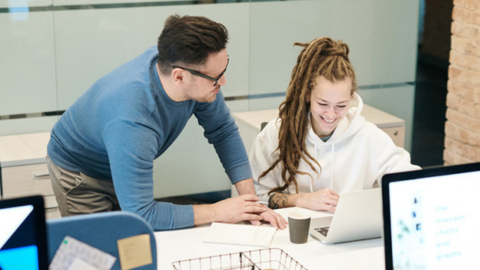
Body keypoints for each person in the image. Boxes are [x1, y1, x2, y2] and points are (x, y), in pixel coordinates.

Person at [46, 14, 286, 231]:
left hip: (118, 153)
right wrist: (219, 211)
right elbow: (142, 214)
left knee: (132, 245)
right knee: (101, 255)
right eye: (216, 77)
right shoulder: (133, 120)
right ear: (179, 76)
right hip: (81, 170)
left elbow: (222, 130)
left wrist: (252, 205)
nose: (223, 82)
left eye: (224, 69)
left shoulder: (190, 71)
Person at [250, 37, 421, 212]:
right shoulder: (275, 134)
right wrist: (303, 199)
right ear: (307, 94)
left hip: (349, 233)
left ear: (351, 98)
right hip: (289, 233)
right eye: (323, 104)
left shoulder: (368, 136)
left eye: (341, 106)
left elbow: (410, 182)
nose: (331, 114)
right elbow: (258, 198)